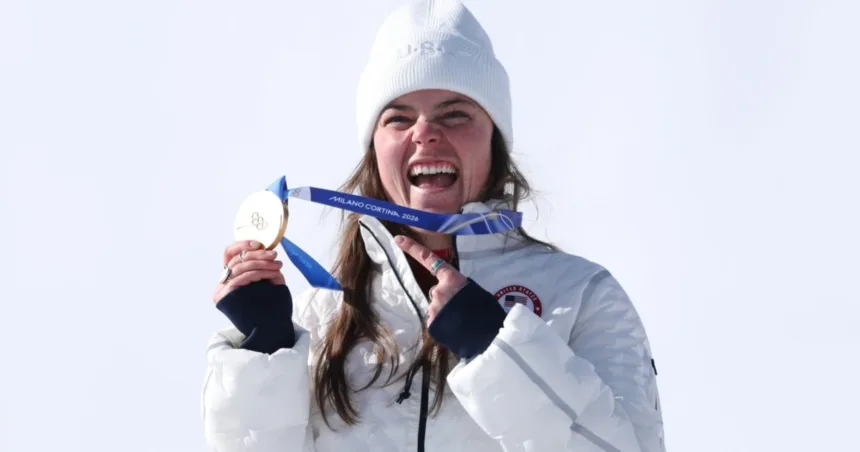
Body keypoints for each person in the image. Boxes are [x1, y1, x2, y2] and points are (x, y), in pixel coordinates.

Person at [201, 0, 666, 451]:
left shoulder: (581, 295)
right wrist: (264, 352)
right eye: (398, 118)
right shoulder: (318, 321)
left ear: (495, 141)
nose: (424, 132)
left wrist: (497, 349)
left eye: (455, 113)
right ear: (375, 152)